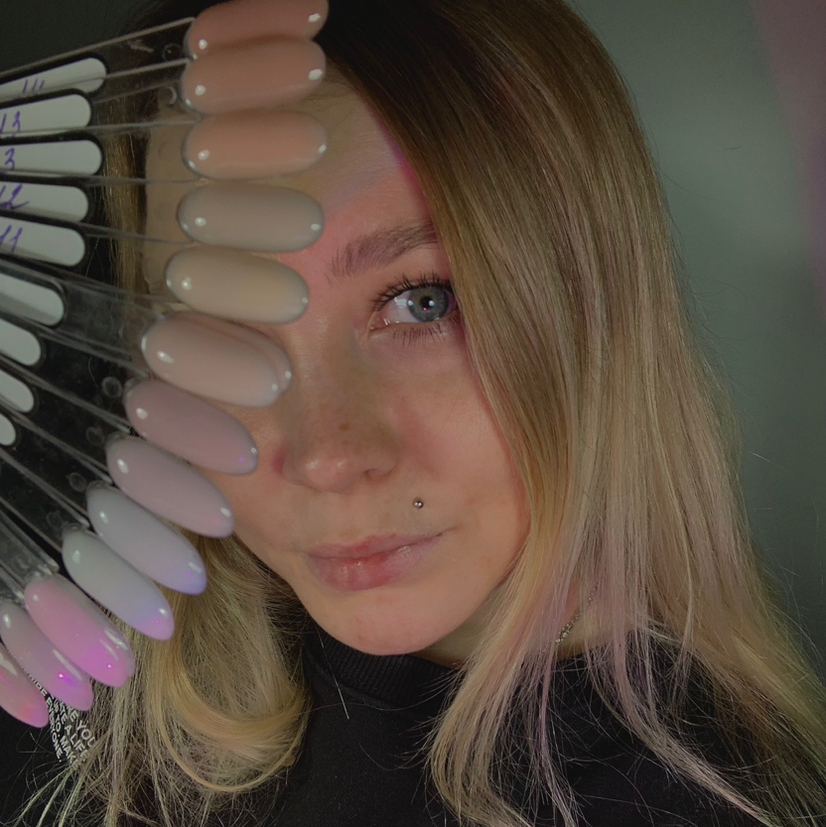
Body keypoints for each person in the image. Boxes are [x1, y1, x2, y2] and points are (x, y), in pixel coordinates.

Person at [3, 0, 826, 825]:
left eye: (423, 301)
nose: (325, 457)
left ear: (594, 310)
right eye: (219, 328)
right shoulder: (71, 626)